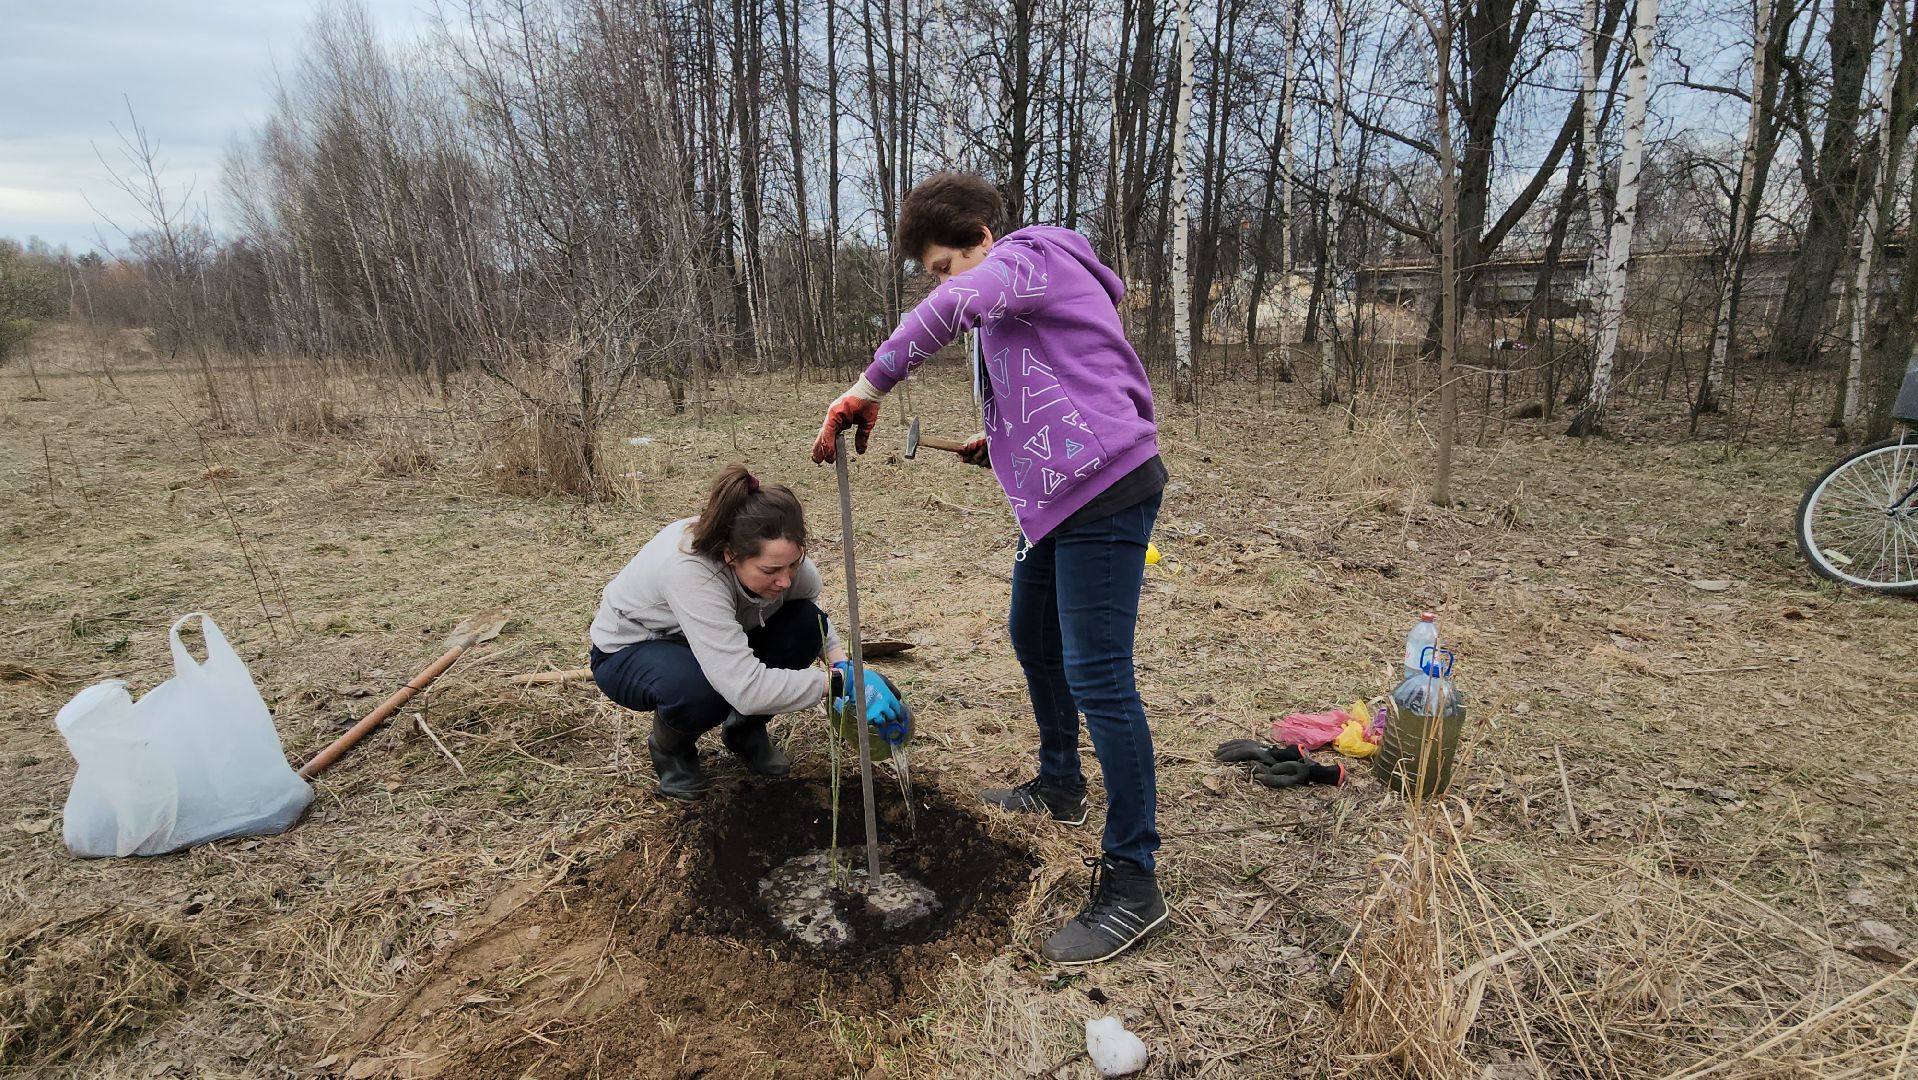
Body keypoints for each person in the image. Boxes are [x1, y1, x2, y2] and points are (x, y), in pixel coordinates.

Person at [812, 172, 1167, 965]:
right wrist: (1002, 439)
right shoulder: (1017, 288)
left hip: (1106, 490)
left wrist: (869, 387)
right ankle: (1060, 784)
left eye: (944, 265)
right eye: (932, 273)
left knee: (1102, 677)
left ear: (979, 236)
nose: (942, 282)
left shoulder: (1031, 258)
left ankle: (1135, 883)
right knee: (1030, 635)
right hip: (1060, 496)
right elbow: (1049, 375)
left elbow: (955, 309)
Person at [589, 465, 907, 802]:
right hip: (633, 648)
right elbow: (745, 689)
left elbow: (815, 620)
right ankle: (672, 751)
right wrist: (835, 685)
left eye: (794, 564)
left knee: (803, 624)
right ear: (731, 555)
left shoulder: (786, 565)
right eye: (770, 571)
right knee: (700, 690)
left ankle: (743, 730)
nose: (785, 580)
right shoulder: (692, 572)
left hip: (717, 634)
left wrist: (844, 667)